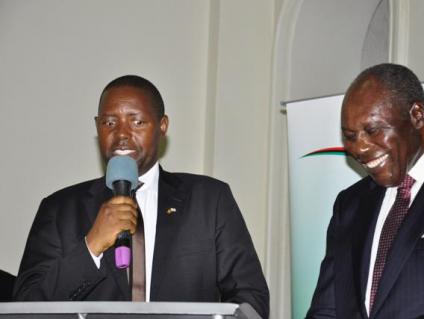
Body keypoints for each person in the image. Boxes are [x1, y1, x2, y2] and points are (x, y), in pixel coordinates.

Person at [14, 75, 269, 318]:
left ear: (162, 126)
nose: (122, 134)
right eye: (110, 122)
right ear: (97, 127)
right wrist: (90, 247)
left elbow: (250, 297)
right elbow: (26, 306)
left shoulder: (209, 200)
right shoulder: (60, 210)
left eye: (137, 122)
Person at [306, 63, 424, 318]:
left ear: (416, 115)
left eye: (372, 130)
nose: (359, 149)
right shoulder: (350, 205)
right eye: (350, 136)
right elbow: (327, 310)